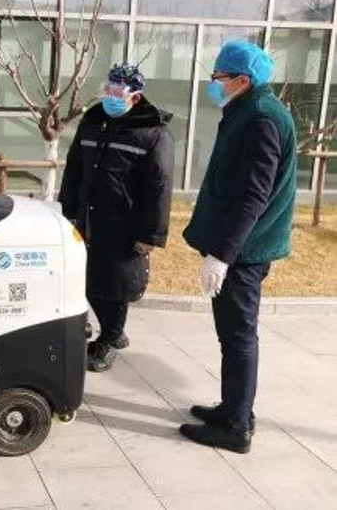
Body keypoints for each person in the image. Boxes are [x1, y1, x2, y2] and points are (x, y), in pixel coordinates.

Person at [180, 41, 296, 454]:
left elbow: (254, 196)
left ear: (242, 80)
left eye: (219, 77)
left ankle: (236, 427)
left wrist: (222, 255)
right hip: (241, 246)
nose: (214, 83)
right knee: (231, 334)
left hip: (245, 251)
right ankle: (234, 408)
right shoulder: (249, 109)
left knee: (239, 336)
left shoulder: (261, 119)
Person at [59, 63, 174, 372]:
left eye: (117, 92)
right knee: (85, 276)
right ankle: (109, 330)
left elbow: (160, 186)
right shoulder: (92, 121)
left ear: (134, 97)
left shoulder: (153, 132)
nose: (110, 96)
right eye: (107, 89)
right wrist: (67, 210)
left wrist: (151, 234)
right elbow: (74, 168)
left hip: (125, 224)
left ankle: (110, 337)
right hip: (87, 216)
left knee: (115, 283)